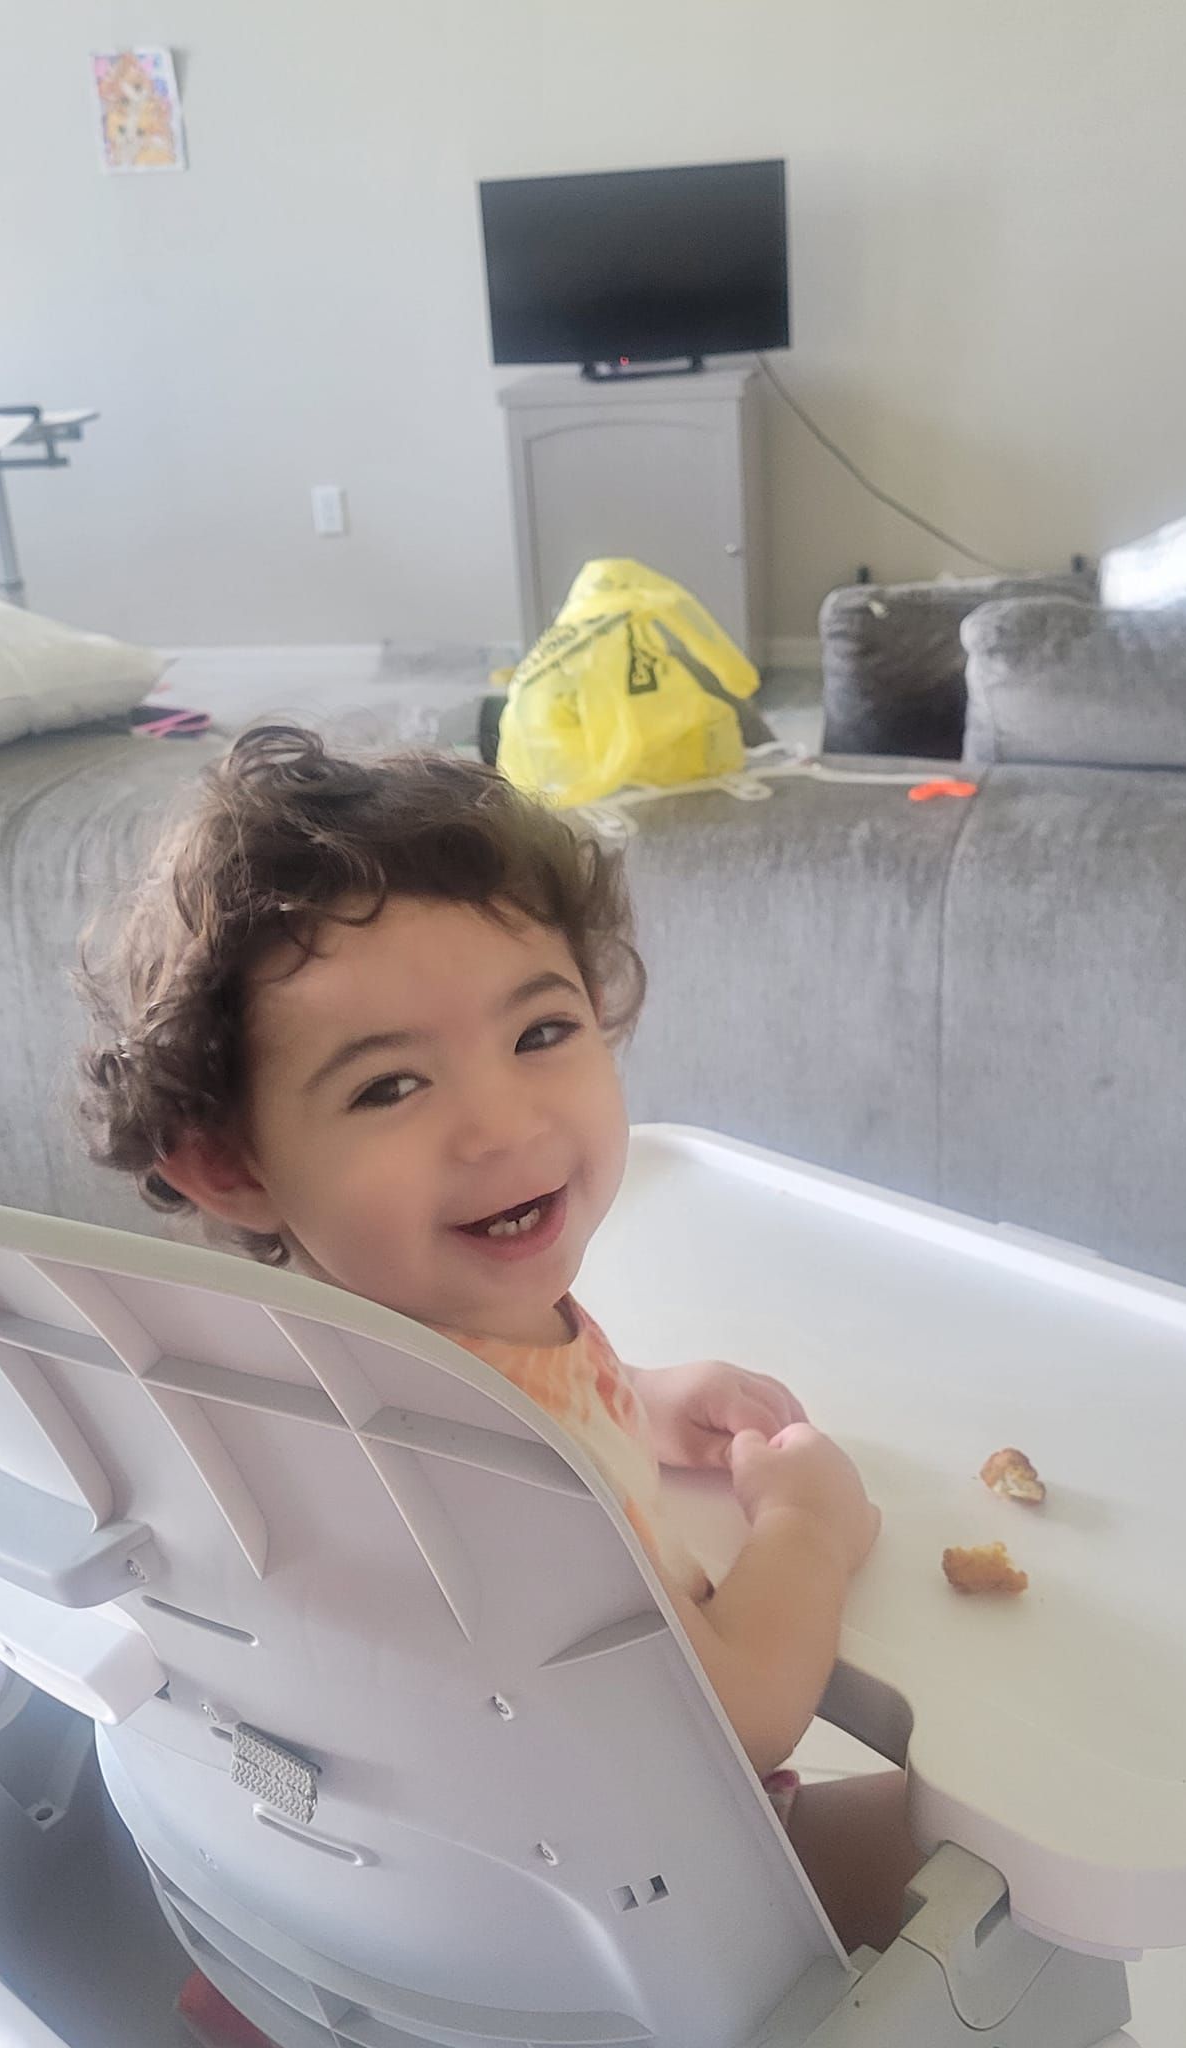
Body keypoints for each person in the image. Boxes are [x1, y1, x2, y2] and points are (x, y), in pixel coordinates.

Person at [77, 724, 919, 1954]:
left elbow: (516, 1381)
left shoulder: (348, 1347)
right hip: (618, 1923)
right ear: (229, 1161)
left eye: (540, 1033)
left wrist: (634, 1392)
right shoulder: (485, 1462)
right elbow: (740, 1715)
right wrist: (809, 1527)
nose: (501, 1124)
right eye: (389, 1086)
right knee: (1006, 1852)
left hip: (389, 1894)